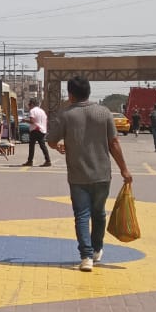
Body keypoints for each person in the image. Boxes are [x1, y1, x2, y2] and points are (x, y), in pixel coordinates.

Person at [47, 74, 132, 272]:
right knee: (99, 213)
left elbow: (51, 140)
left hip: (78, 176)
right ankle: (97, 249)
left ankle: (86, 257)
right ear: (89, 91)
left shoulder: (66, 115)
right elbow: (114, 143)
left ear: (70, 94)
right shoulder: (104, 112)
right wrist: (124, 169)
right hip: (102, 174)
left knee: (82, 215)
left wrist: (59, 146)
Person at [23, 99, 51, 167]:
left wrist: (25, 120)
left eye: (29, 104)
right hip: (42, 130)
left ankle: (30, 161)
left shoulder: (32, 111)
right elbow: (46, 121)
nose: (29, 106)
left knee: (32, 146)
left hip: (35, 129)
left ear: (32, 104)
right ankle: (48, 160)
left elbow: (32, 121)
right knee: (43, 146)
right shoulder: (42, 111)